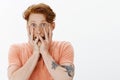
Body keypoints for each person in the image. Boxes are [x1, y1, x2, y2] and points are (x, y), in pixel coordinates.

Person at [7, 3, 75, 80]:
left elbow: (66, 78)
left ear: (52, 26)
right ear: (27, 27)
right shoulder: (16, 49)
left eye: (43, 24)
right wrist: (35, 53)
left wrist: (45, 52)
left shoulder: (64, 47)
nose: (38, 31)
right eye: (33, 25)